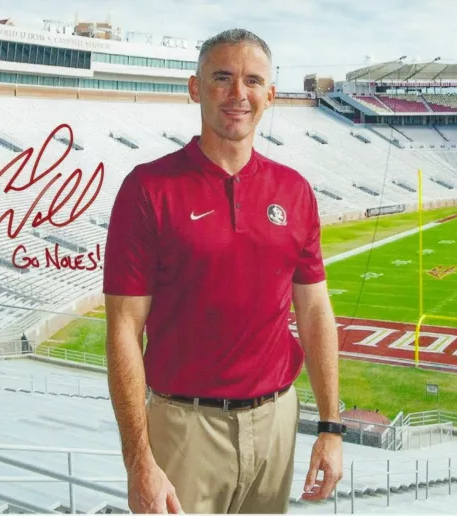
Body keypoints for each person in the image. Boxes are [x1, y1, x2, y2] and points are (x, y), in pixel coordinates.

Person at [103, 28, 343, 514]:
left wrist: (331, 427)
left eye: (252, 81)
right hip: (185, 427)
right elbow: (124, 329)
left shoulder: (294, 191)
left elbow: (315, 311)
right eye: (222, 78)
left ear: (270, 96)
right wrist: (139, 461)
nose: (238, 94)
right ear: (195, 89)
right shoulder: (149, 189)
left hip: (276, 422)